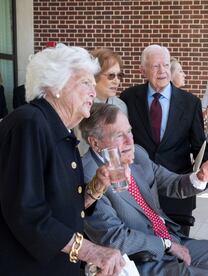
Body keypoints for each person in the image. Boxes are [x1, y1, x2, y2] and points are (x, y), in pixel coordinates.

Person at [80, 103, 208, 276]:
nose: (130, 140)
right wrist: (166, 245)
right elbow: (115, 239)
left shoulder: (138, 155)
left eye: (129, 131)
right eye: (119, 135)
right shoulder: (89, 178)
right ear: (95, 143)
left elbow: (171, 182)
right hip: (141, 260)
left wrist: (199, 177)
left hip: (171, 239)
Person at [0, 44, 125, 275]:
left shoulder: (60, 131)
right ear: (55, 86)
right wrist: (92, 251)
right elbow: (26, 212)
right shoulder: (29, 123)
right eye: (85, 82)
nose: (93, 92)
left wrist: (96, 188)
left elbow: (63, 207)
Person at [120, 45, 208, 236]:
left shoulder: (190, 102)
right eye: (155, 66)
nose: (162, 71)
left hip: (178, 192)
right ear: (142, 70)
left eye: (166, 65)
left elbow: (198, 145)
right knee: (143, 251)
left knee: (179, 253)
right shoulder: (128, 98)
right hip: (139, 191)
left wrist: (206, 170)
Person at [75, 48, 128, 156]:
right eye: (111, 75)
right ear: (95, 76)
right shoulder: (81, 105)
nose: (116, 80)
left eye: (119, 75)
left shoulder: (121, 106)